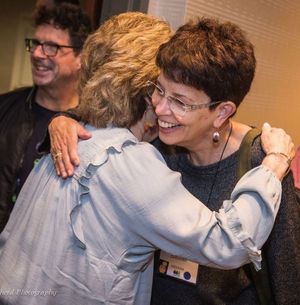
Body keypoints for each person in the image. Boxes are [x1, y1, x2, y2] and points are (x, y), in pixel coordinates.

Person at [0, 12, 294, 305]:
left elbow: (286, 276)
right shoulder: (126, 154)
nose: (163, 107)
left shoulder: (78, 140)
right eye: (160, 90)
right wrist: (275, 164)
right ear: (146, 92)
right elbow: (226, 242)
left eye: (179, 100)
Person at [0, 3, 91, 232]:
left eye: (52, 47)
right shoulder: (4, 109)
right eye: (36, 44)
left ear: (81, 57)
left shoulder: (91, 125)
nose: (39, 54)